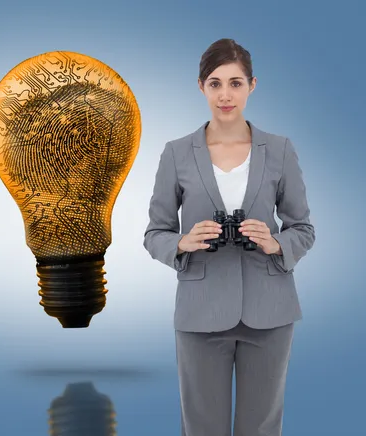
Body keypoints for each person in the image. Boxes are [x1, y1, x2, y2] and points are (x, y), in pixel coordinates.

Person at [143, 38, 315, 436]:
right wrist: (181, 243)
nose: (225, 94)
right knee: (202, 427)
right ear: (201, 87)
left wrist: (277, 243)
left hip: (270, 312)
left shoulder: (280, 150)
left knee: (261, 427)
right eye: (215, 83)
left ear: (252, 85)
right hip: (200, 312)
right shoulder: (176, 153)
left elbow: (303, 228)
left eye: (235, 83)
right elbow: (155, 233)